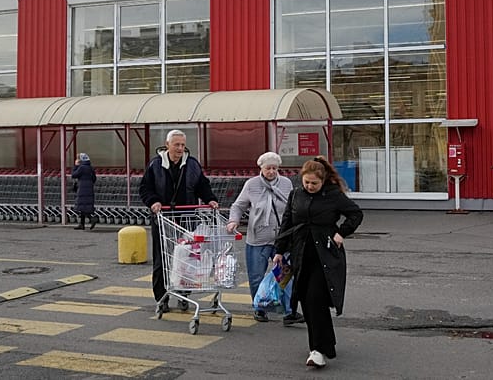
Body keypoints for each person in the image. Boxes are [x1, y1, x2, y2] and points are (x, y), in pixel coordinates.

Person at [273, 156, 363, 369]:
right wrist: (279, 250)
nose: (310, 186)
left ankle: (318, 350)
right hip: (301, 254)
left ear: (323, 181)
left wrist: (342, 233)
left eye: (314, 183)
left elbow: (355, 214)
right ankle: (325, 344)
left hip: (326, 256)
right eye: (307, 182)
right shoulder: (295, 195)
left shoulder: (333, 195)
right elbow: (287, 222)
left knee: (315, 299)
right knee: (306, 300)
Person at [139, 129, 219, 311]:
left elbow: (201, 186)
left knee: (187, 260)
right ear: (167, 145)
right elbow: (145, 189)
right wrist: (153, 202)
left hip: (187, 218)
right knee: (162, 259)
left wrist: (210, 199)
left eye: (183, 145)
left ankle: (184, 295)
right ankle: (162, 298)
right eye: (176, 145)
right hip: (163, 219)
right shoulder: (155, 164)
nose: (180, 148)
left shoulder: (191, 164)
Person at [226, 151, 304, 325]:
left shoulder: (285, 183)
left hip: (282, 239)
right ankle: (260, 308)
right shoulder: (251, 184)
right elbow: (239, 205)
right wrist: (233, 221)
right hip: (258, 237)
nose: (272, 172)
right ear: (261, 167)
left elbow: (293, 207)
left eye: (275, 168)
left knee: (284, 276)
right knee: (256, 276)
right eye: (268, 168)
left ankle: (288, 312)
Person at [71, 153, 98, 230]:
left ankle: (91, 219)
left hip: (82, 188)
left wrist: (76, 166)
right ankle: (82, 224)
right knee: (84, 206)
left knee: (82, 206)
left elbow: (74, 175)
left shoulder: (81, 168)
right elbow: (94, 178)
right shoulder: (90, 167)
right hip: (89, 188)